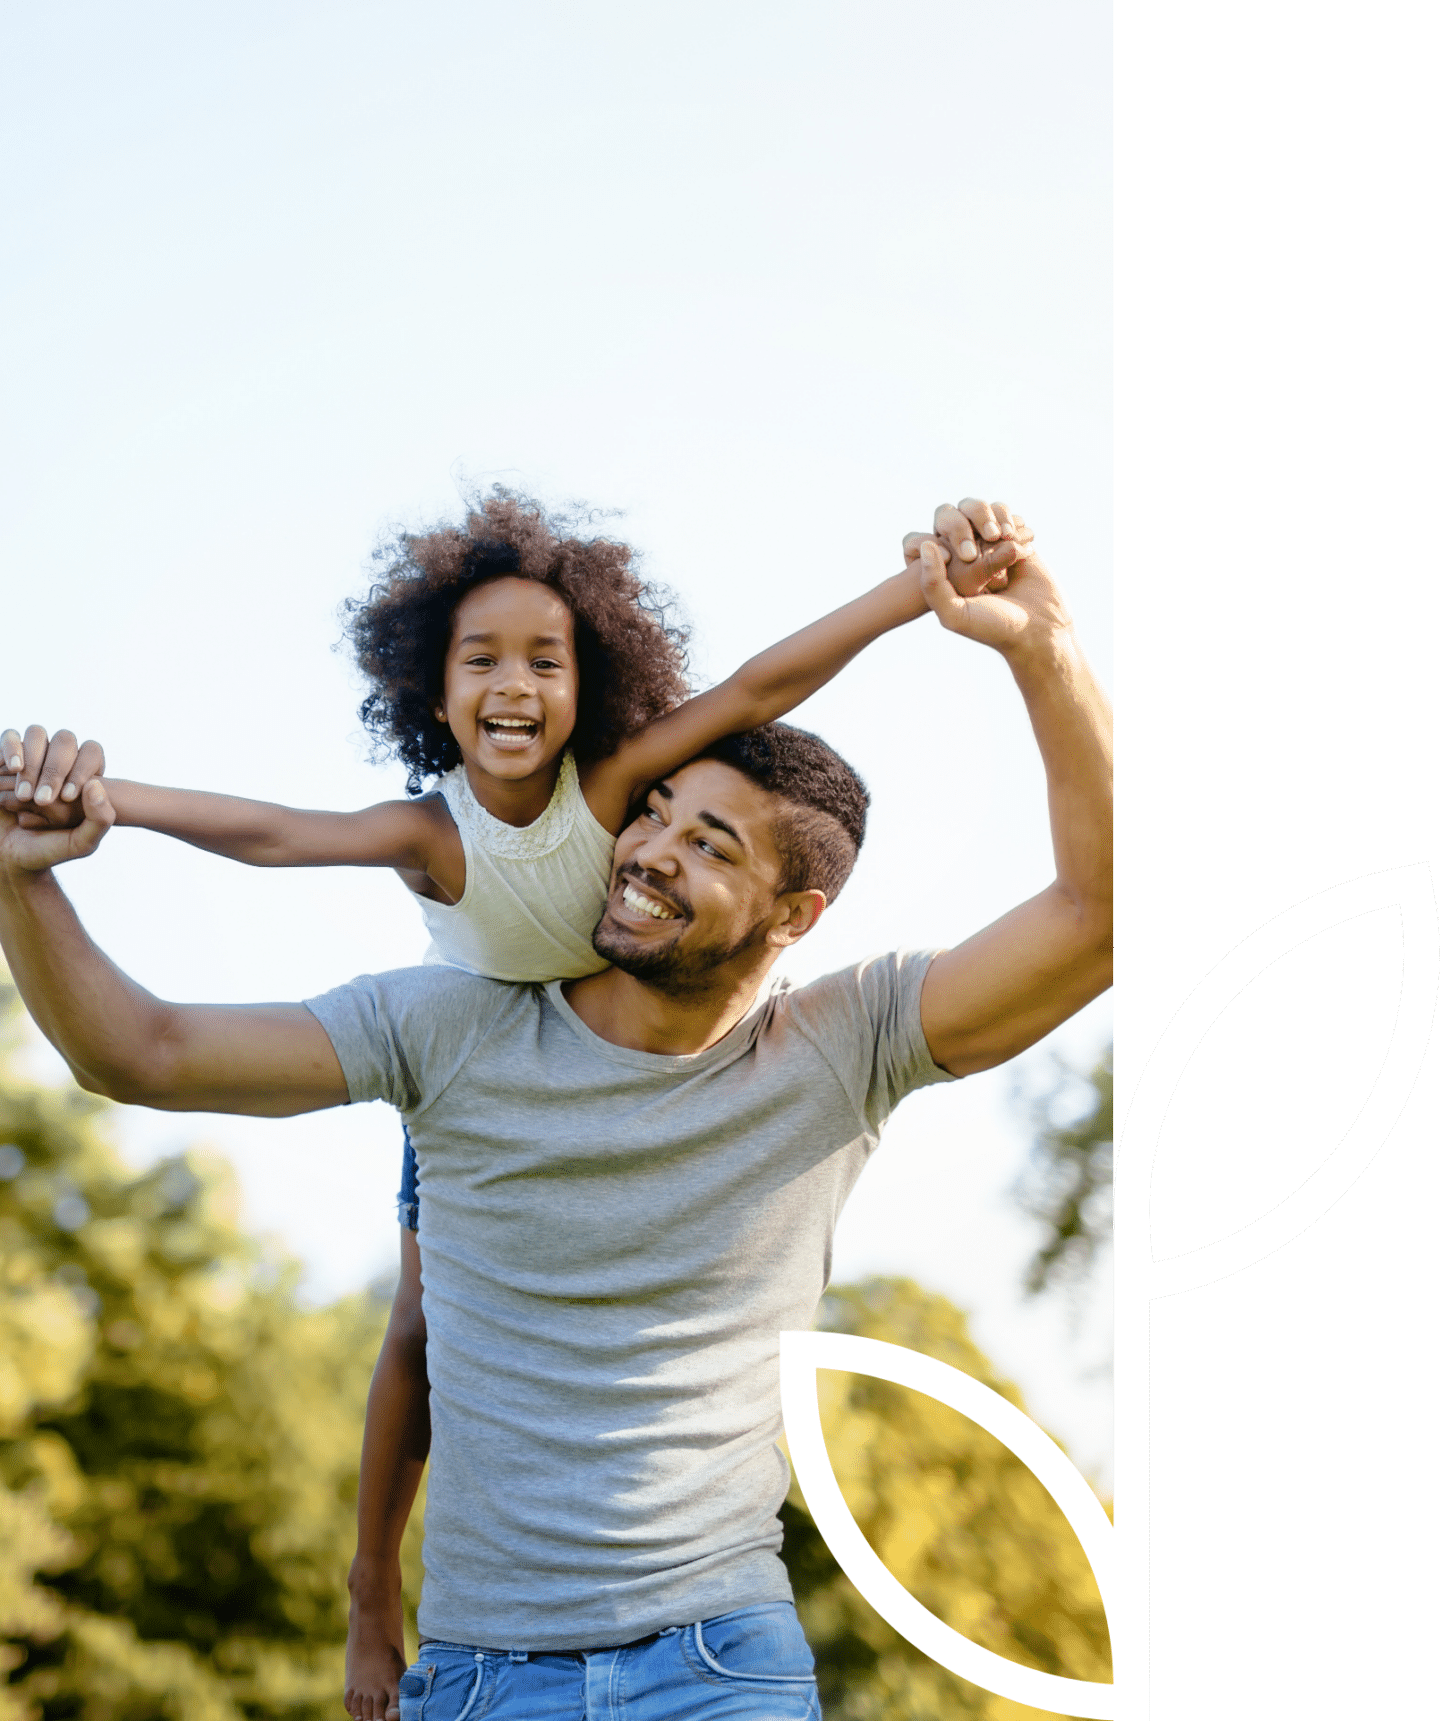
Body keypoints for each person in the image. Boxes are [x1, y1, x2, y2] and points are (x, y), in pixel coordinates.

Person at [0, 508, 1112, 1721]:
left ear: (794, 916)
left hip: (718, 1666)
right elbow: (139, 1052)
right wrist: (22, 874)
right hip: (483, 1676)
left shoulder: (849, 1043)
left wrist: (1041, 644)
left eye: (707, 841)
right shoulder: (450, 1028)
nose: (645, 848)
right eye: (656, 811)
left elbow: (1100, 915)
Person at [0, 488, 1029, 987]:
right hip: (473, 1047)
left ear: (590, 687)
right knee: (413, 1323)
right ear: (435, 696)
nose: (513, 685)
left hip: (603, 1047)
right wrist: (106, 800)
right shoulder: (431, 835)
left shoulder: (618, 783)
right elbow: (273, 831)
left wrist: (920, 589)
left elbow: (761, 683)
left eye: (546, 662)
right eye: (480, 660)